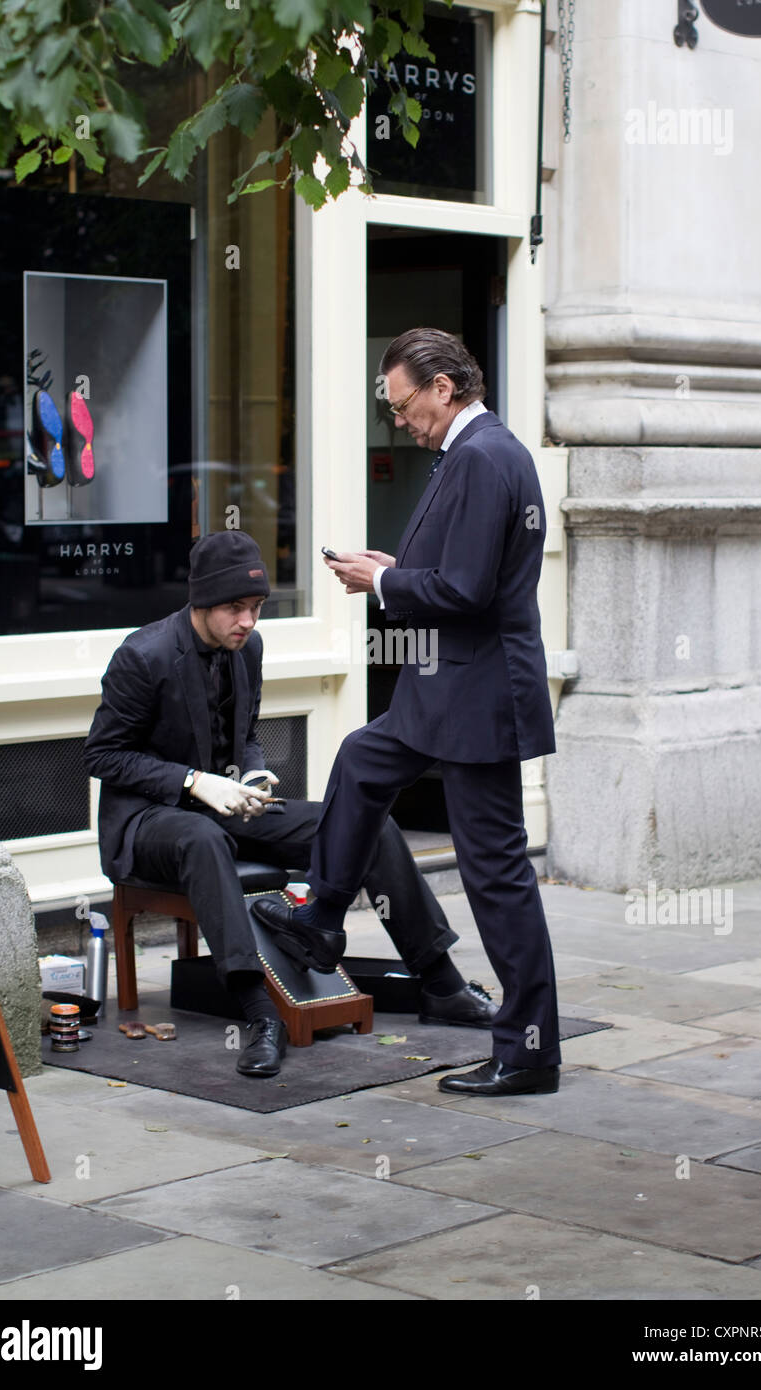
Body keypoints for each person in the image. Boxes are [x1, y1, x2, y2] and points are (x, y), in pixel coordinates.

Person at [251, 329, 561, 1097]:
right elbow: (457, 572)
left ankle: (527, 1052)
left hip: (479, 697)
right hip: (447, 689)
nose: (401, 422)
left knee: (496, 878)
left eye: (403, 406)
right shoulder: (472, 454)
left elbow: (467, 591)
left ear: (445, 387)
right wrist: (396, 571)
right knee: (362, 758)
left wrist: (385, 585)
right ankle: (322, 916)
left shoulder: (487, 457)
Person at [83, 529, 495, 1080]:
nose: (247, 622)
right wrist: (193, 782)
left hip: (226, 805)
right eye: (234, 608)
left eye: (255, 608)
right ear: (201, 601)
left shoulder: (247, 647)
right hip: (148, 823)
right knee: (202, 839)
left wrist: (250, 770)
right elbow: (104, 756)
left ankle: (440, 982)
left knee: (363, 817)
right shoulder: (144, 655)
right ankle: (260, 1014)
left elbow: (245, 730)